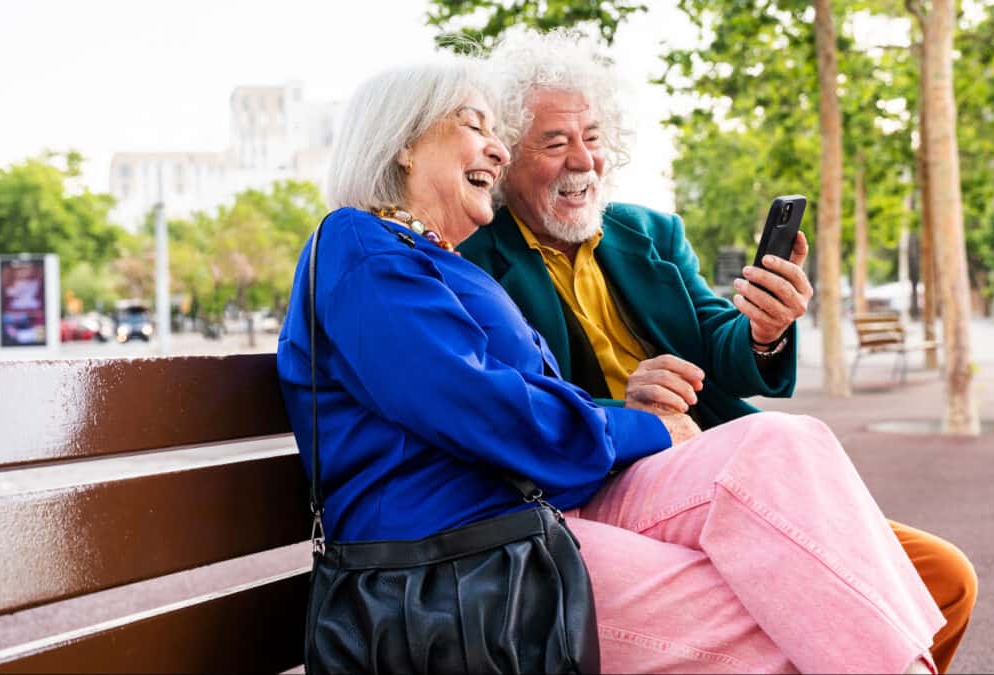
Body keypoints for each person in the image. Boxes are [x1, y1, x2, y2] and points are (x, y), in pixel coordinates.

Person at [277, 54, 944, 673]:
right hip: (462, 560)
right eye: (476, 125)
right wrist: (644, 425)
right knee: (789, 613)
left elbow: (510, 399)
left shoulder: (434, 259)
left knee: (783, 439)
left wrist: (759, 333)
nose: (497, 148)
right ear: (402, 139)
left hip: (537, 514)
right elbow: (483, 406)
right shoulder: (359, 242)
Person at [458, 28, 977, 673]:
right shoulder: (474, 258)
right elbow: (507, 405)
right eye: (555, 143)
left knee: (946, 578)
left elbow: (717, 340)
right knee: (804, 606)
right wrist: (627, 407)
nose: (583, 161)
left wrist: (765, 328)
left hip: (729, 471)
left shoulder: (648, 232)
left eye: (592, 139)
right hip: (609, 489)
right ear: (505, 157)